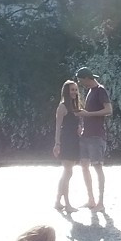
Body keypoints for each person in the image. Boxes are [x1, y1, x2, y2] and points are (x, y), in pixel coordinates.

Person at [52, 79, 94, 212]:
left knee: (67, 173)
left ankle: (58, 201)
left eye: (76, 89)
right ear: (66, 91)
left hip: (75, 141)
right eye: (72, 90)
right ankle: (67, 204)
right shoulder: (62, 107)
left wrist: (80, 127)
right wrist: (57, 144)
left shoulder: (75, 106)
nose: (75, 92)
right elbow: (58, 127)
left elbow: (78, 122)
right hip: (66, 142)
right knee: (68, 172)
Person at [75, 67, 112, 213]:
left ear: (86, 78)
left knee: (97, 167)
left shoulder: (100, 90)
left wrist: (89, 114)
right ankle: (91, 199)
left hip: (97, 136)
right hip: (86, 135)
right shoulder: (89, 91)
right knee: (84, 166)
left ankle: (101, 202)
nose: (80, 83)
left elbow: (109, 110)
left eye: (80, 80)